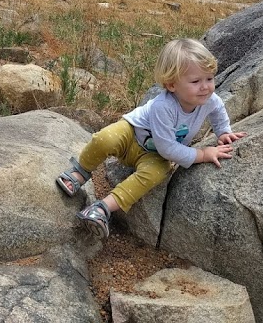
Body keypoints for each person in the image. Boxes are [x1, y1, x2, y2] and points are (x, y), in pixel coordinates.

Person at [55, 38, 247, 238]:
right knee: (105, 138)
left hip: (155, 155)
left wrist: (223, 131)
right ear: (171, 84)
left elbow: (218, 110)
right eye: (195, 81)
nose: (206, 87)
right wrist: (202, 154)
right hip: (132, 134)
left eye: (209, 78)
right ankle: (81, 171)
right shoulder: (163, 106)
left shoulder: (209, 100)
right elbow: (167, 148)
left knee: (155, 174)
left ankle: (103, 208)